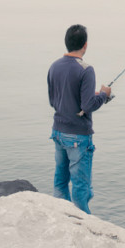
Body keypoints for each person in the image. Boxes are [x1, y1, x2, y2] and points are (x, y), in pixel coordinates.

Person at [46, 24, 112, 213]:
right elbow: (88, 106)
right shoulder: (86, 69)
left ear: (67, 43)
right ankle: (84, 227)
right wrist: (104, 95)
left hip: (58, 132)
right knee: (81, 189)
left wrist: (88, 96)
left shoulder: (54, 66)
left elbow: (53, 100)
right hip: (78, 136)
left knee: (60, 183)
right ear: (85, 45)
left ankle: (63, 218)